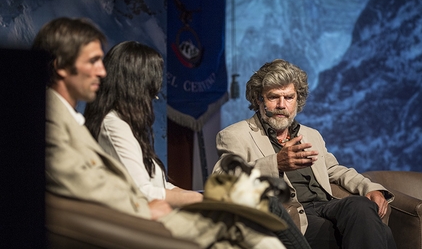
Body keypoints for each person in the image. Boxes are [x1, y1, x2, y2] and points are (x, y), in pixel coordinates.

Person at [35, 17, 285, 248]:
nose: (101, 72)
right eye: (92, 61)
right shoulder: (68, 120)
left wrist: (202, 196)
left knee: (251, 224)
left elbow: (142, 184)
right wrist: (154, 208)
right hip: (130, 222)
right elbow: (100, 189)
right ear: (60, 66)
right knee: (250, 223)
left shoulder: (76, 119)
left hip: (138, 215)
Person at [212, 59, 397, 249]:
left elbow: (334, 169)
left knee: (361, 205)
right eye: (273, 97)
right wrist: (276, 163)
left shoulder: (310, 134)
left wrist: (369, 187)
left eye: (289, 97)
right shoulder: (235, 135)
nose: (281, 105)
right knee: (383, 233)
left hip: (327, 206)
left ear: (297, 100)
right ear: (259, 99)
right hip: (290, 216)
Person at [84, 41, 202, 208]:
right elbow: (141, 192)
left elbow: (158, 186)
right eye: (151, 88)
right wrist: (199, 200)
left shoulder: (125, 125)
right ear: (136, 86)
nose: (155, 97)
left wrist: (198, 197)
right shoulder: (113, 125)